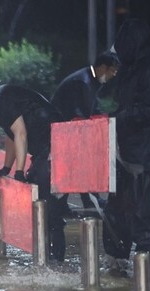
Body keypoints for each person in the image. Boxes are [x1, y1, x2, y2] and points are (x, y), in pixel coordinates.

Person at [0, 74, 67, 262]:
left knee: (46, 202)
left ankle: (55, 258)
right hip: (50, 149)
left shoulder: (4, 98)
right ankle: (49, 256)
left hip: (56, 148)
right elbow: (11, 136)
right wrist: (6, 168)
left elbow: (21, 134)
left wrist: (19, 171)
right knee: (43, 202)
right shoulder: (2, 96)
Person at [103, 18, 150, 278]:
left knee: (139, 215)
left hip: (147, 156)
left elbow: (149, 109)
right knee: (117, 210)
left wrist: (117, 118)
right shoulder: (132, 68)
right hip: (130, 154)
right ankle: (117, 264)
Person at [51, 51, 120, 209]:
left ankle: (83, 200)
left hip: (70, 128)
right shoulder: (82, 81)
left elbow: (91, 109)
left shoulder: (91, 79)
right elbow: (78, 112)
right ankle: (84, 200)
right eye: (112, 71)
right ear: (103, 67)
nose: (114, 75)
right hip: (64, 128)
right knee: (78, 164)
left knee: (78, 164)